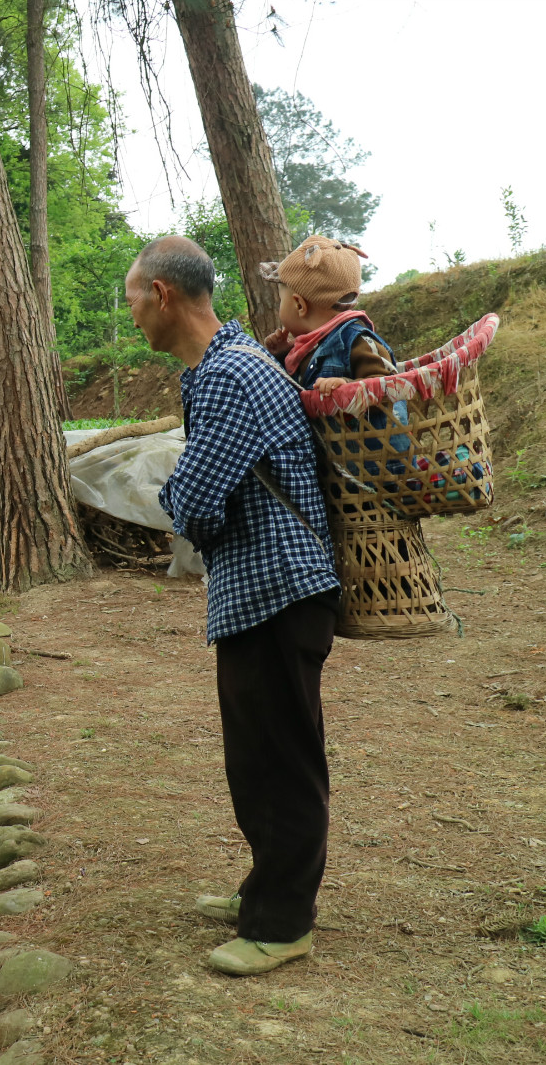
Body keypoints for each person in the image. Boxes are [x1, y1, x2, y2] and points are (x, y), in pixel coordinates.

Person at [123, 235, 341, 976]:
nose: (131, 315)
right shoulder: (222, 369)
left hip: (281, 591)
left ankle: (283, 925)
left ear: (163, 296)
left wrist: (175, 498)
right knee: (256, 760)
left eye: (131, 298)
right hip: (262, 596)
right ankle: (266, 894)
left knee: (281, 762)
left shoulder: (230, 376)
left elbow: (197, 504)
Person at [259, 235, 397, 394]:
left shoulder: (356, 341)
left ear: (299, 305)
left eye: (281, 301)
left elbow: (388, 385)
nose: (279, 307)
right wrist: (283, 354)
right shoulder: (310, 347)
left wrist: (347, 385)